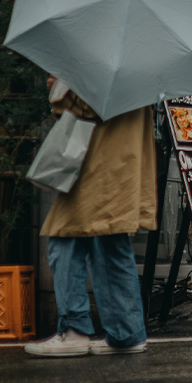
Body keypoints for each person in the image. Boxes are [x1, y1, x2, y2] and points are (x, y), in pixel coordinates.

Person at [25, 78, 157, 357]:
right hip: (122, 165)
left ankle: (74, 330)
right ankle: (126, 332)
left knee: (64, 236)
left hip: (97, 166)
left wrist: (59, 89)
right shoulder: (140, 67)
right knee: (110, 243)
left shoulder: (104, 64)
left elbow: (88, 106)